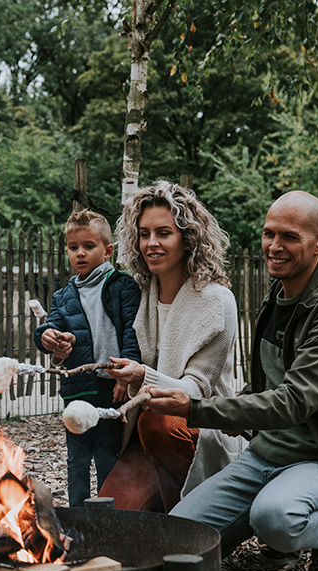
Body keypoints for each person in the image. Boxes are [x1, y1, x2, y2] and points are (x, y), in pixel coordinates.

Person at [140, 190, 318, 571]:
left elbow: (295, 400)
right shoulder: (279, 296)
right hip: (264, 455)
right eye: (269, 234)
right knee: (178, 539)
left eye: (290, 237)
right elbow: (267, 384)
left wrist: (198, 409)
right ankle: (272, 512)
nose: (275, 246)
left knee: (277, 519)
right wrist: (238, 414)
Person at [97, 181, 243, 512]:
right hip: (141, 435)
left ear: (188, 238)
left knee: (159, 421)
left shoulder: (216, 301)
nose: (151, 243)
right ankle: (161, 516)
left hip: (200, 429)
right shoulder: (139, 293)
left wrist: (140, 377)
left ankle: (192, 521)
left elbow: (193, 392)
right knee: (113, 517)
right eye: (144, 233)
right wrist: (64, 345)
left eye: (163, 233)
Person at [34, 209, 141, 507]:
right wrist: (51, 340)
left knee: (108, 455)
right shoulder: (63, 296)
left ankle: (109, 515)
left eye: (88, 246)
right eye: (73, 247)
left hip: (112, 388)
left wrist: (124, 376)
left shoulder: (123, 287)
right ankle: (78, 515)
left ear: (107, 250)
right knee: (77, 459)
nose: (80, 253)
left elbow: (132, 333)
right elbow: (52, 330)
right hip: (77, 390)